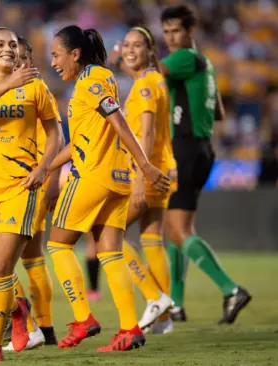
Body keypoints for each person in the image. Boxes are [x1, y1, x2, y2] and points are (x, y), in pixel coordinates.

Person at [111, 5, 251, 324]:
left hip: (184, 147)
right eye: (168, 31)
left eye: (177, 31)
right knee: (175, 230)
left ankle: (230, 289)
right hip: (201, 147)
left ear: (190, 32)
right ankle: (177, 302)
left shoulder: (183, 58)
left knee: (176, 231)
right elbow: (219, 113)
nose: (172, 37)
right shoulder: (207, 64)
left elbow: (151, 70)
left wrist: (121, 56)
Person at [48, 25, 169, 352]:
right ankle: (129, 328)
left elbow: (119, 121)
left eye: (57, 55)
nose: (54, 62)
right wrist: (46, 167)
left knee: (58, 246)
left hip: (93, 175)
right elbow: (79, 140)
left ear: (75, 53)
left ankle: (82, 316)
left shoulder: (92, 80)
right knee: (110, 252)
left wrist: (145, 165)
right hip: (115, 179)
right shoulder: (94, 81)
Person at [0, 27, 60, 362]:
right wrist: (8, 84)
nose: (8, 48)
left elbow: (54, 132)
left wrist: (44, 167)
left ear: (20, 52)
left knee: (0, 266)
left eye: (13, 44)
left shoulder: (36, 86)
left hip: (20, 188)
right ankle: (18, 310)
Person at [118, 26, 175, 333]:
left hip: (147, 171)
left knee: (109, 234)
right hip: (163, 167)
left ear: (151, 50)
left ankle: (154, 297)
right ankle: (165, 317)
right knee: (152, 239)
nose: (130, 49)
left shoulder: (143, 87)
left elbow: (148, 133)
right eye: (126, 44)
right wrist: (121, 60)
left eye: (137, 45)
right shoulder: (154, 80)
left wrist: (141, 178)